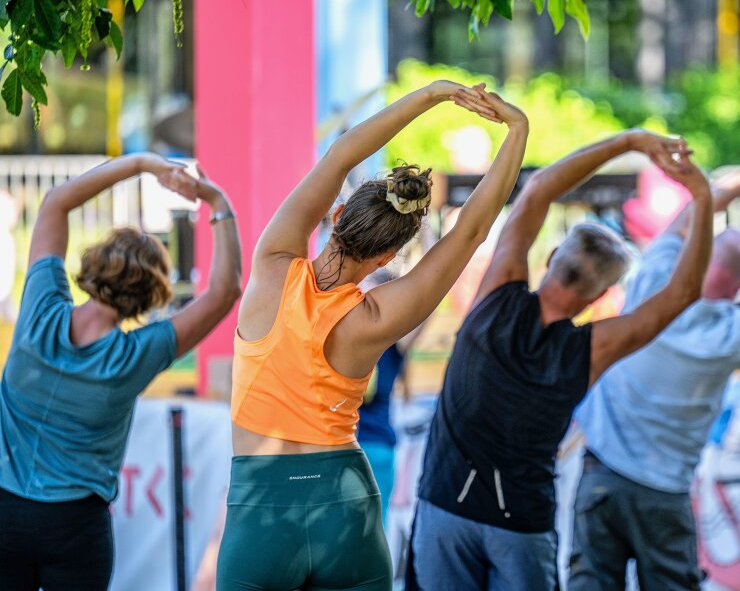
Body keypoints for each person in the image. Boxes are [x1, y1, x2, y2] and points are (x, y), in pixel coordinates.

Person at [216, 81, 527, 591]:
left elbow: (339, 158)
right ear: (388, 259)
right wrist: (518, 129)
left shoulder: (272, 267)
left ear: (335, 216)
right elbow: (470, 231)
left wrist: (432, 96)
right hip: (346, 505)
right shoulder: (377, 316)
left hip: (261, 506)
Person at [407, 111, 714, 591]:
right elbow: (683, 292)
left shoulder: (497, 294)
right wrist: (702, 195)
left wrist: (629, 141)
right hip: (521, 523)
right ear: (597, 298)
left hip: (445, 505)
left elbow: (538, 190)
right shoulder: (592, 348)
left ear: (551, 260)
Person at [569, 164, 740, 590]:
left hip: (601, 472)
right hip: (663, 492)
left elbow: (694, 213)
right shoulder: (734, 335)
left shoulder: (656, 283)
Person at [0, 154, 242, 591]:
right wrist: (217, 201)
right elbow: (225, 292)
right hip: (76, 526)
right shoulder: (136, 356)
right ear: (149, 296)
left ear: (96, 263)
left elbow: (56, 202)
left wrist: (141, 165)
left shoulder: (39, 310)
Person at [355, 267, 427, 526]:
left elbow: (427, 298)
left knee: (373, 531)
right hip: (345, 447)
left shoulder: (392, 340)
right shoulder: (348, 335)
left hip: (373, 446)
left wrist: (431, 235)